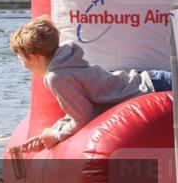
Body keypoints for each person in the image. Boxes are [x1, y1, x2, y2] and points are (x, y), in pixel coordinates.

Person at [10, 15, 172, 152]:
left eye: (20, 57)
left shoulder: (57, 77)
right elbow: (83, 110)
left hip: (154, 87)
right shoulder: (65, 63)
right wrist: (52, 131)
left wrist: (56, 136)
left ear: (34, 57)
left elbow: (83, 117)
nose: (21, 63)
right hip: (155, 81)